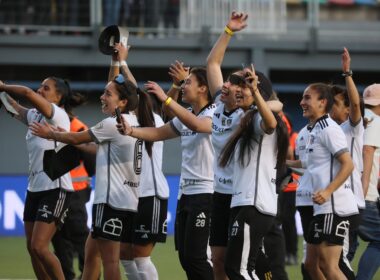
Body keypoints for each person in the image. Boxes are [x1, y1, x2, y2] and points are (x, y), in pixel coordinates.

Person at [30, 51, 156, 280]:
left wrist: (51, 133)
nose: (102, 97)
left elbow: (79, 138)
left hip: (111, 203)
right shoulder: (135, 121)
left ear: (123, 102)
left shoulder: (112, 123)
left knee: (110, 263)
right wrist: (116, 61)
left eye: (108, 94)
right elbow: (94, 148)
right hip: (128, 202)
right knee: (91, 256)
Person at [118, 67, 216, 280]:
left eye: (188, 82)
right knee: (186, 259)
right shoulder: (187, 116)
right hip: (186, 194)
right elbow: (158, 133)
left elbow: (200, 126)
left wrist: (167, 98)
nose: (183, 86)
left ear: (203, 88)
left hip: (207, 194)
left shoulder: (215, 113)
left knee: (197, 258)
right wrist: (131, 131)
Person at [0, 77, 77, 280]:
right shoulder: (35, 115)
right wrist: (1, 94)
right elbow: (13, 107)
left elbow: (26, 94)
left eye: (46, 88)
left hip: (55, 189)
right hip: (34, 189)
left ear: (58, 96)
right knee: (32, 248)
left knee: (39, 247)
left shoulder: (58, 115)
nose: (40, 90)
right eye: (40, 86)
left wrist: (3, 86)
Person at [218, 66, 288, 280]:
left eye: (244, 87)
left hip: (254, 205)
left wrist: (255, 92)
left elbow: (271, 122)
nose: (238, 90)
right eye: (236, 85)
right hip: (245, 205)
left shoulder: (258, 119)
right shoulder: (246, 117)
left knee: (238, 270)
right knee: (244, 267)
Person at [289, 83, 359, 279]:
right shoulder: (312, 131)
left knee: (329, 266)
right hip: (319, 207)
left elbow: (348, 164)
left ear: (323, 102)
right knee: (311, 265)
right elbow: (308, 165)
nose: (302, 102)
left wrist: (327, 191)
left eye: (307, 98)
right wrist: (280, 163)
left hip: (333, 206)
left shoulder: (329, 129)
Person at [329, 47, 365, 279]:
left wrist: (347, 74)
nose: (331, 105)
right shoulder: (324, 131)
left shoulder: (351, 128)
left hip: (350, 203)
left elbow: (355, 104)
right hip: (330, 204)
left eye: (335, 102)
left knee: (339, 262)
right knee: (320, 263)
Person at [51, 110, 95, 280]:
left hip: (76, 189)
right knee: (60, 236)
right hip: (57, 188)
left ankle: (87, 275)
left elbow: (90, 157)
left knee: (78, 234)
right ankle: (66, 275)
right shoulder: (52, 122)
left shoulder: (77, 126)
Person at [356, 83, 380, 280]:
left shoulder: (357, 121)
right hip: (364, 194)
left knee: (347, 245)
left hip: (346, 191)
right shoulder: (375, 121)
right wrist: (364, 190)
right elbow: (368, 151)